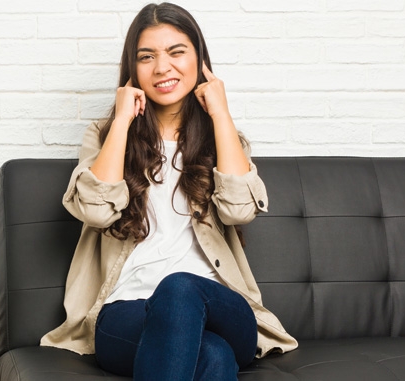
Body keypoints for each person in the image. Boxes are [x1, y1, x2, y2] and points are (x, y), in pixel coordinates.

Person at [40, 3, 298, 380]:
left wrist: (221, 114)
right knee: (212, 356)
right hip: (126, 311)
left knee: (179, 288)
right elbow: (96, 211)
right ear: (132, 70)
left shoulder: (223, 138)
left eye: (177, 52)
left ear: (200, 60)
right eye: (147, 57)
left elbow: (240, 210)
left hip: (221, 308)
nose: (162, 68)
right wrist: (123, 120)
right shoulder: (105, 136)